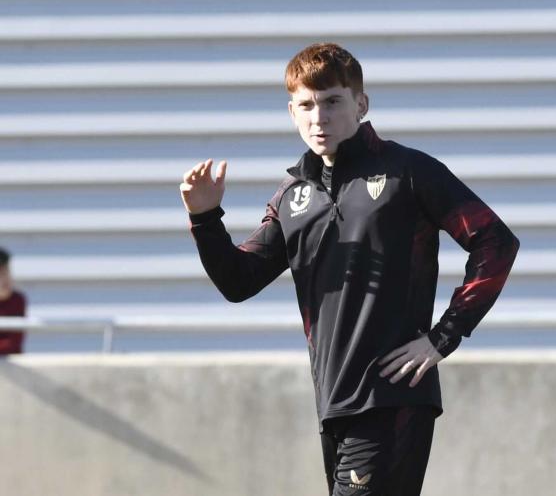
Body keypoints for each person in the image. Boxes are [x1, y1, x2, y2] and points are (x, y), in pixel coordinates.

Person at [180, 43, 519, 495]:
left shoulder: (408, 171)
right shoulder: (292, 196)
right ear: (292, 112)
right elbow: (239, 281)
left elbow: (495, 242)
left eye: (332, 101)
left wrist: (443, 337)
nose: (319, 117)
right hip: (333, 403)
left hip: (393, 396)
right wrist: (205, 219)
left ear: (361, 104)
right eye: (306, 105)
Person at [0, 247, 27, 355]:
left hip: (11, 366)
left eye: (6, 272)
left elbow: (14, 342)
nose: (4, 279)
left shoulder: (17, 300)